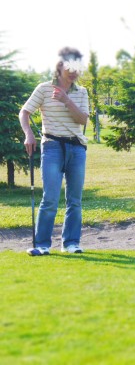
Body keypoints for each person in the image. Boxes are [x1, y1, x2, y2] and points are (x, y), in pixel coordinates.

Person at [19, 47, 89, 256]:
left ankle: (71, 243)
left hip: (77, 148)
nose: (75, 72)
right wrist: (28, 134)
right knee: (50, 198)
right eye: (71, 67)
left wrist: (66, 101)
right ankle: (42, 245)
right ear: (60, 66)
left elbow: (83, 120)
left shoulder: (82, 92)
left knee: (74, 200)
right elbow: (24, 112)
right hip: (51, 146)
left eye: (78, 68)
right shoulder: (43, 89)